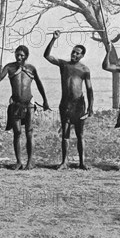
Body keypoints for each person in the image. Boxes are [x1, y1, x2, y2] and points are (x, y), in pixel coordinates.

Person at [0, 45, 50, 170]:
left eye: (21, 55)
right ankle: (19, 162)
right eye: (17, 54)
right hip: (15, 104)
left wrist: (45, 101)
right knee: (17, 133)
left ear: (26, 56)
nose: (18, 57)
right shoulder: (9, 67)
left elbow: (40, 85)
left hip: (29, 104)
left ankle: (30, 162)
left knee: (29, 132)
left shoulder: (31, 68)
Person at [44, 31, 93, 170]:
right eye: (73, 52)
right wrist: (53, 39)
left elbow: (89, 89)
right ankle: (64, 162)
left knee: (80, 134)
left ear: (82, 55)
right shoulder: (64, 64)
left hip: (79, 104)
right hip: (65, 104)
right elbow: (47, 56)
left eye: (78, 53)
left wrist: (90, 107)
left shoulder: (84, 69)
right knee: (65, 134)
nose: (74, 54)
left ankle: (82, 162)